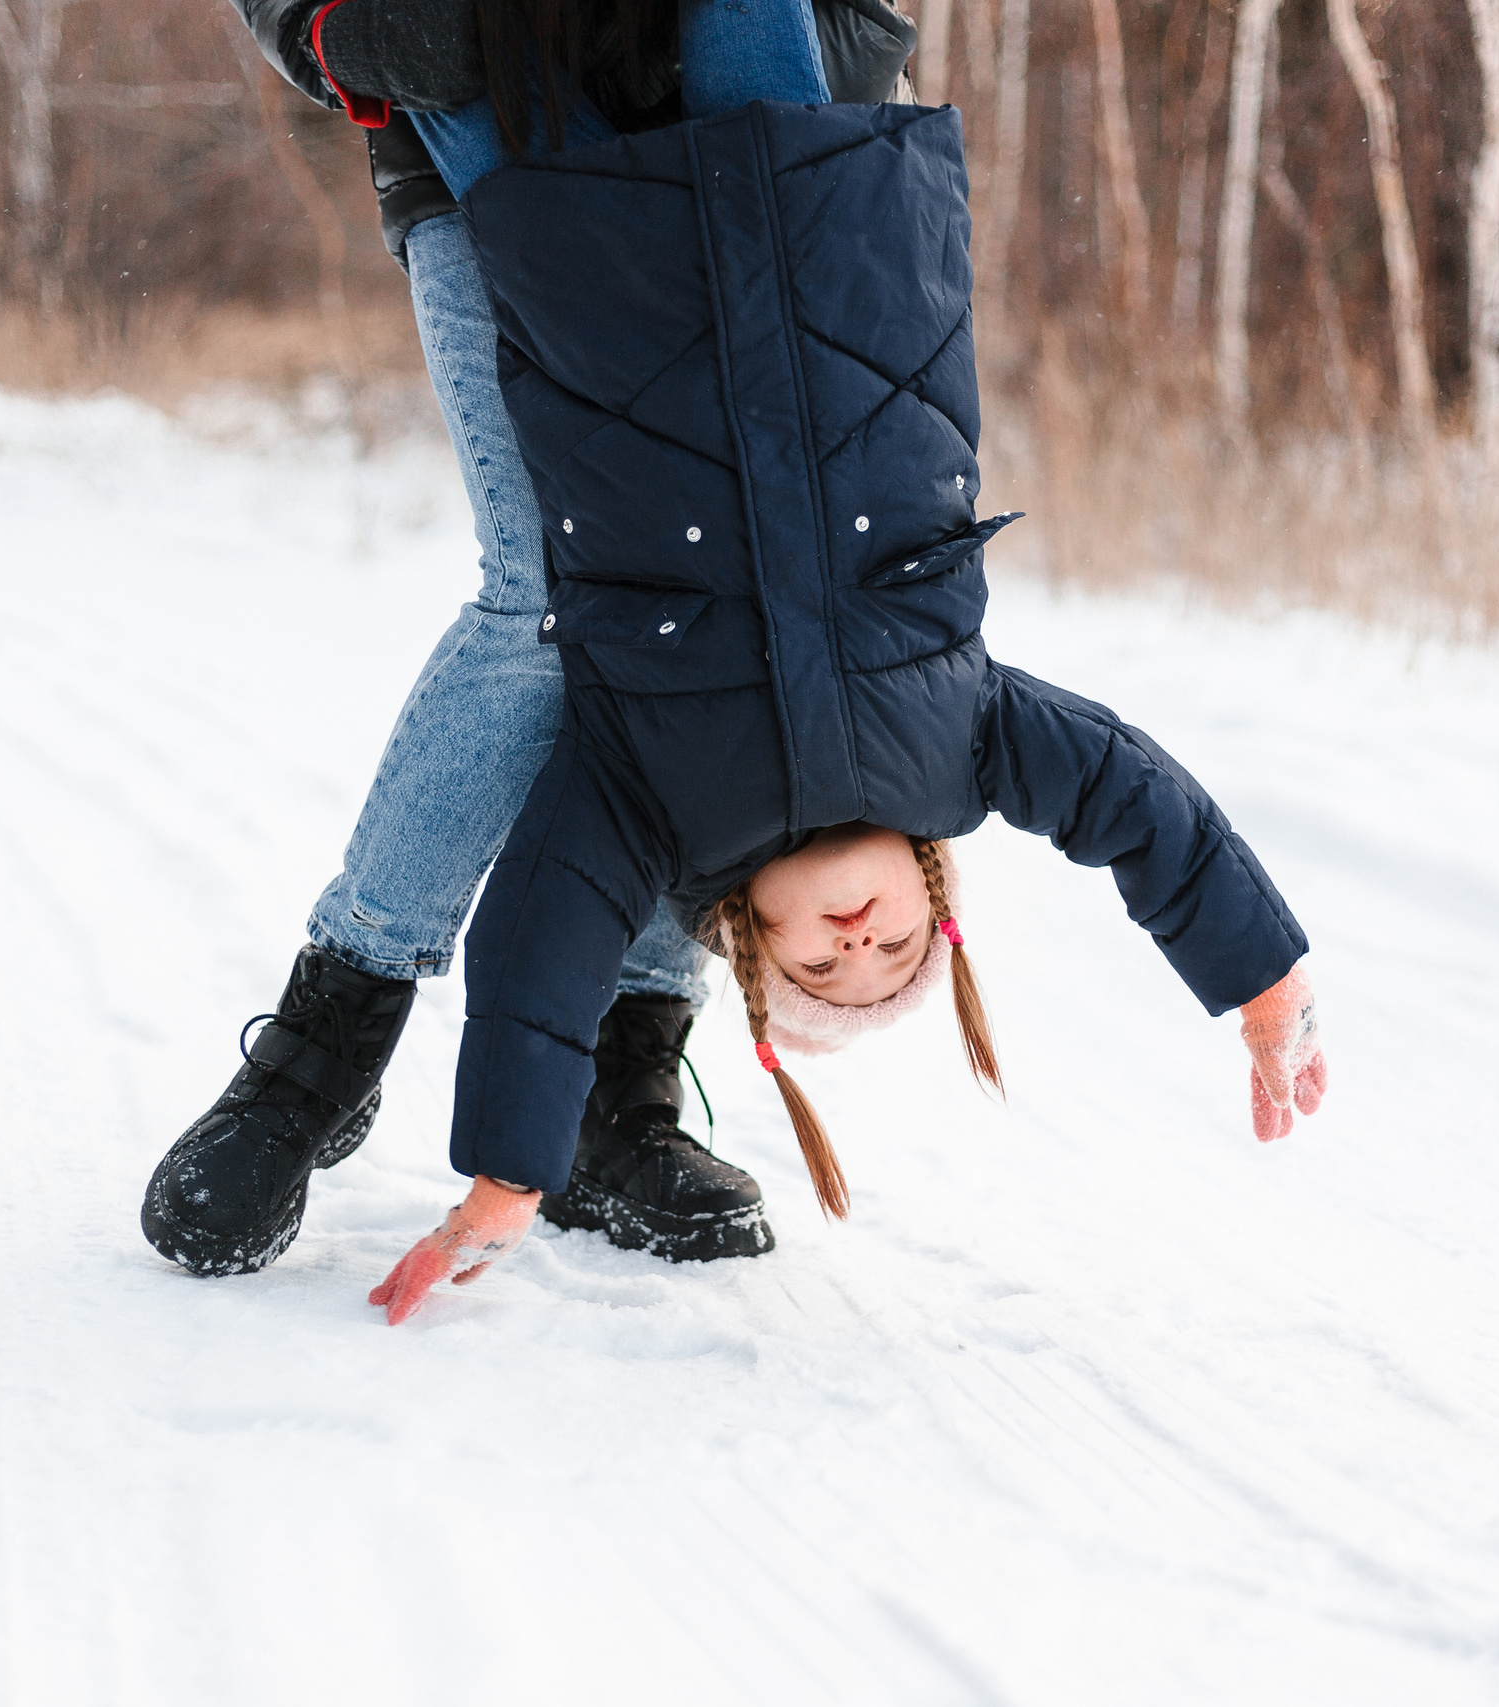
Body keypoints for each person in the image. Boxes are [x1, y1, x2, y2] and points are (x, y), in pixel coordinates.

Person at [349, 0, 1330, 1324]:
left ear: (750, 937)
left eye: (821, 970)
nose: (859, 942)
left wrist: (506, 1175)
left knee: (455, 47)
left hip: (590, 276)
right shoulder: (961, 742)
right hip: (817, 231)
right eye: (897, 951)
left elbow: (544, 941)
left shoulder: (651, 805)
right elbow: (1137, 805)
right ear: (930, 890)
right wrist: (1261, 982)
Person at [142, 0, 927, 1278]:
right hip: (492, 148)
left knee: (706, 610)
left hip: (745, 163)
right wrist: (331, 32)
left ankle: (619, 1085)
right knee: (551, 598)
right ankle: (324, 1046)